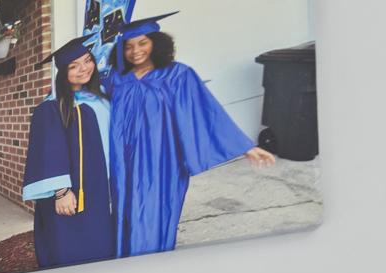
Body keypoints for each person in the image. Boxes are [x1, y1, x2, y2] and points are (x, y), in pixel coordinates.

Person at [103, 11, 274, 257]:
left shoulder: (178, 75)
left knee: (155, 213)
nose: (135, 51)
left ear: (156, 43)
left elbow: (205, 112)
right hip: (124, 163)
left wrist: (244, 146)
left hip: (163, 163)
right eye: (128, 46)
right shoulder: (117, 79)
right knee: (124, 211)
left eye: (143, 43)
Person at [23, 37, 117, 270]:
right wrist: (62, 191)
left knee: (99, 238)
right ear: (62, 72)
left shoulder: (101, 97)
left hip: (99, 183)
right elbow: (47, 149)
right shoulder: (52, 106)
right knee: (70, 245)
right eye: (73, 66)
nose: (83, 69)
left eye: (87, 61)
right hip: (73, 190)